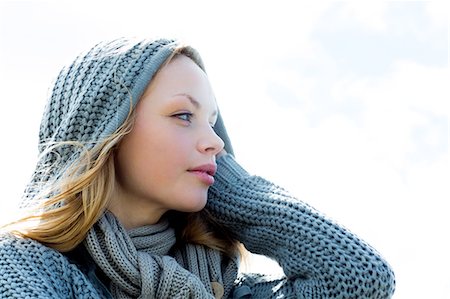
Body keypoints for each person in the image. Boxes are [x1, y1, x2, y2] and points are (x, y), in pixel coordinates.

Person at [0, 37, 395, 298]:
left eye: (213, 122)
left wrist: (233, 191)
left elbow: (359, 279)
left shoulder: (228, 289)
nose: (217, 142)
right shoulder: (24, 268)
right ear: (106, 128)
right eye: (184, 115)